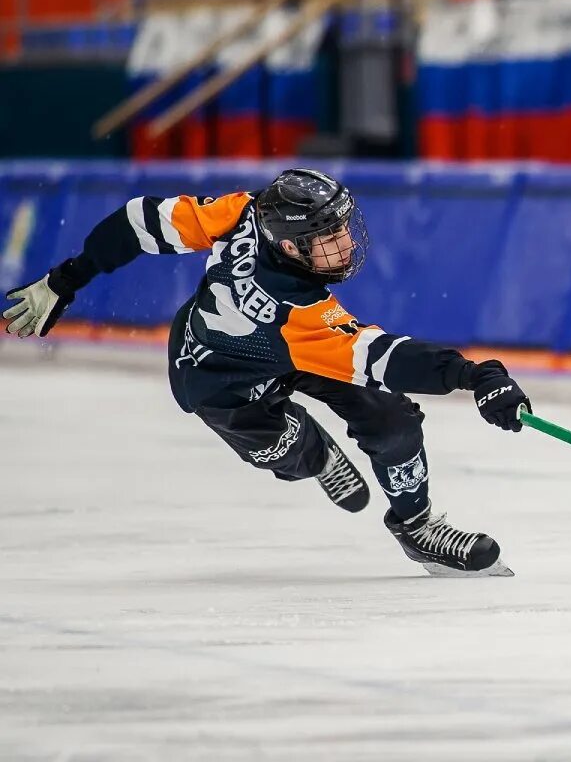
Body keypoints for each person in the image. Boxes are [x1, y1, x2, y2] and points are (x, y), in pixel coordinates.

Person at [3, 168, 530, 577]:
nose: (345, 244)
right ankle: (317, 453)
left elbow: (138, 223)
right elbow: (385, 358)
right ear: (288, 245)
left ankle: (417, 526)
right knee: (292, 450)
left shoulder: (244, 212)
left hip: (278, 349)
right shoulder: (296, 310)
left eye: (342, 228)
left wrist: (63, 281)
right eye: (328, 237)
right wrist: (473, 375)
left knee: (389, 417)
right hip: (216, 377)